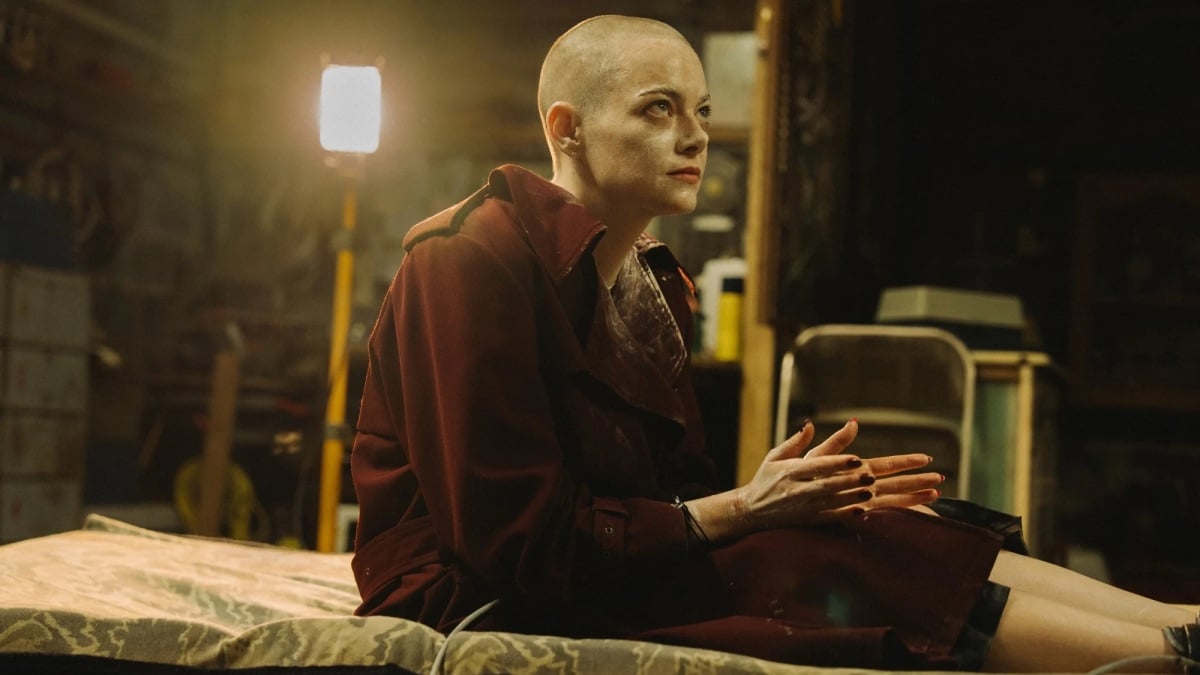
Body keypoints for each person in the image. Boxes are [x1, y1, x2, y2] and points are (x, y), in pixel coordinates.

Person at [349, 14, 1200, 672]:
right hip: (473, 594)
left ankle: (1180, 627)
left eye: (701, 111)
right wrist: (750, 511)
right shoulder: (469, 258)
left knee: (880, 520)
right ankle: (1161, 657)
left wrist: (788, 500)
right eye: (658, 109)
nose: (694, 136)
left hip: (596, 570)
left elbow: (676, 502)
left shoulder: (655, 284)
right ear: (566, 127)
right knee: (817, 559)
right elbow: (517, 546)